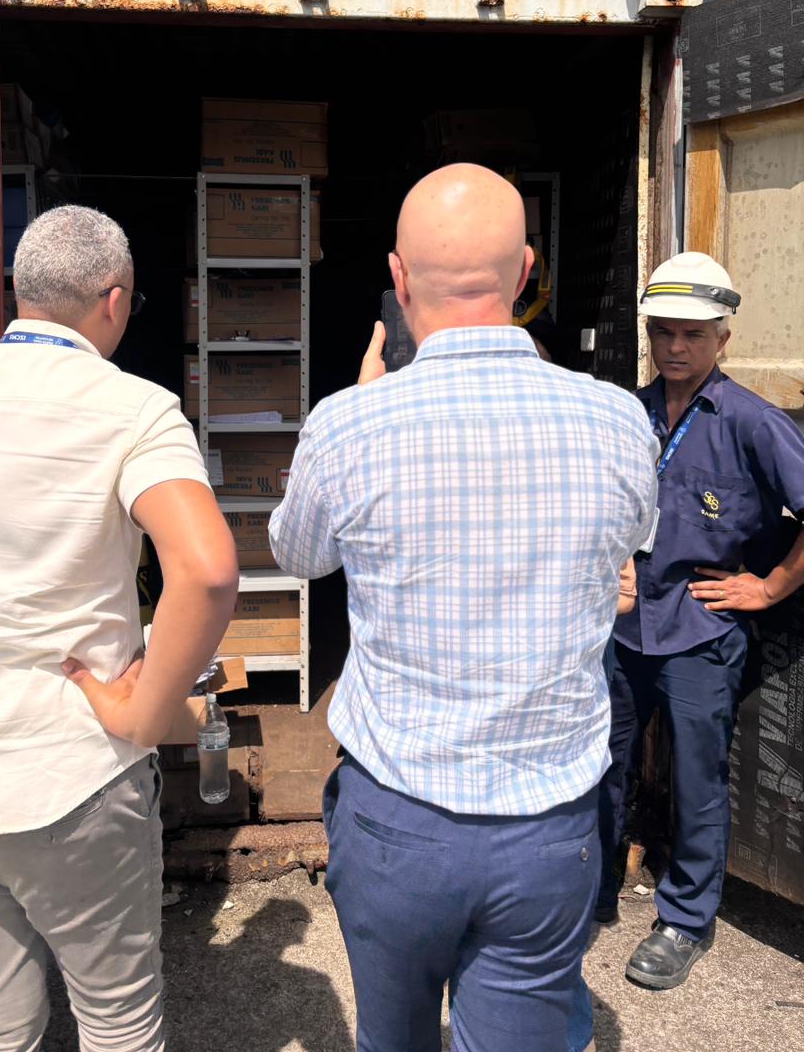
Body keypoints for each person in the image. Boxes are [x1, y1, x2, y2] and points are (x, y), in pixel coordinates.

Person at [269, 163, 658, 1052]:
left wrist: (361, 409)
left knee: (391, 1037)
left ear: (398, 280)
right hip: (551, 826)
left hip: (396, 819)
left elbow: (298, 555)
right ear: (526, 273)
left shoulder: (348, 424)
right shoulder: (617, 420)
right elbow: (631, 540)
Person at [0, 205, 238, 1052]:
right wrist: (142, 716)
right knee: (118, 1021)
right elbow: (207, 571)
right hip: (67, 780)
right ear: (115, 300)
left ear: (18, 292)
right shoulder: (134, 410)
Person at [596, 251, 804, 991]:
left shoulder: (752, 421)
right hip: (624, 627)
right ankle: (593, 888)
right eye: (663, 332)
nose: (675, 347)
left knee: (698, 776)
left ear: (723, 338)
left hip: (700, 632)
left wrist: (770, 587)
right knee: (602, 762)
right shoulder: (630, 414)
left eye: (693, 334)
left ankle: (685, 919)